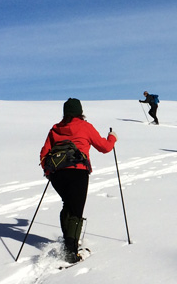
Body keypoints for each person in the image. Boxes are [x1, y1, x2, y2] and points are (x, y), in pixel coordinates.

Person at [40, 98, 117, 263]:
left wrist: (49, 172)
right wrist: (112, 138)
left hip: (57, 174)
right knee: (76, 211)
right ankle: (71, 252)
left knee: (68, 205)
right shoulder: (85, 127)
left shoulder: (55, 129)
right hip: (78, 172)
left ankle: (69, 243)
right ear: (80, 111)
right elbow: (105, 147)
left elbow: (44, 154)